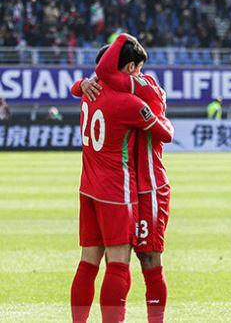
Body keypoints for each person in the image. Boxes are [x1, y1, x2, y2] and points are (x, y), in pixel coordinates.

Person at [69, 36, 173, 323]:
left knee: (144, 261)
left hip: (138, 188)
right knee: (118, 263)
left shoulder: (91, 92)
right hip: (119, 191)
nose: (141, 73)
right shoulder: (126, 101)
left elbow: (88, 83)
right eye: (137, 68)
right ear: (127, 67)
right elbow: (166, 133)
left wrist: (79, 84)